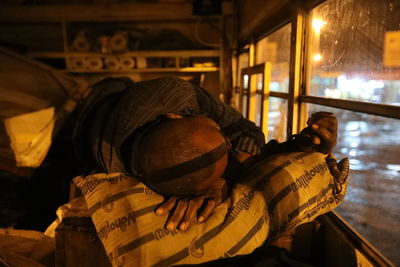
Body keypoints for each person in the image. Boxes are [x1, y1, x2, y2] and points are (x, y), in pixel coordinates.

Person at [73, 76, 338, 232]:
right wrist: (222, 177)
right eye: (217, 129)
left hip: (124, 93)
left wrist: (228, 175)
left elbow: (244, 129)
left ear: (176, 115)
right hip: (90, 110)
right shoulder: (116, 177)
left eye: (218, 133)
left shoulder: (177, 94)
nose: (227, 138)